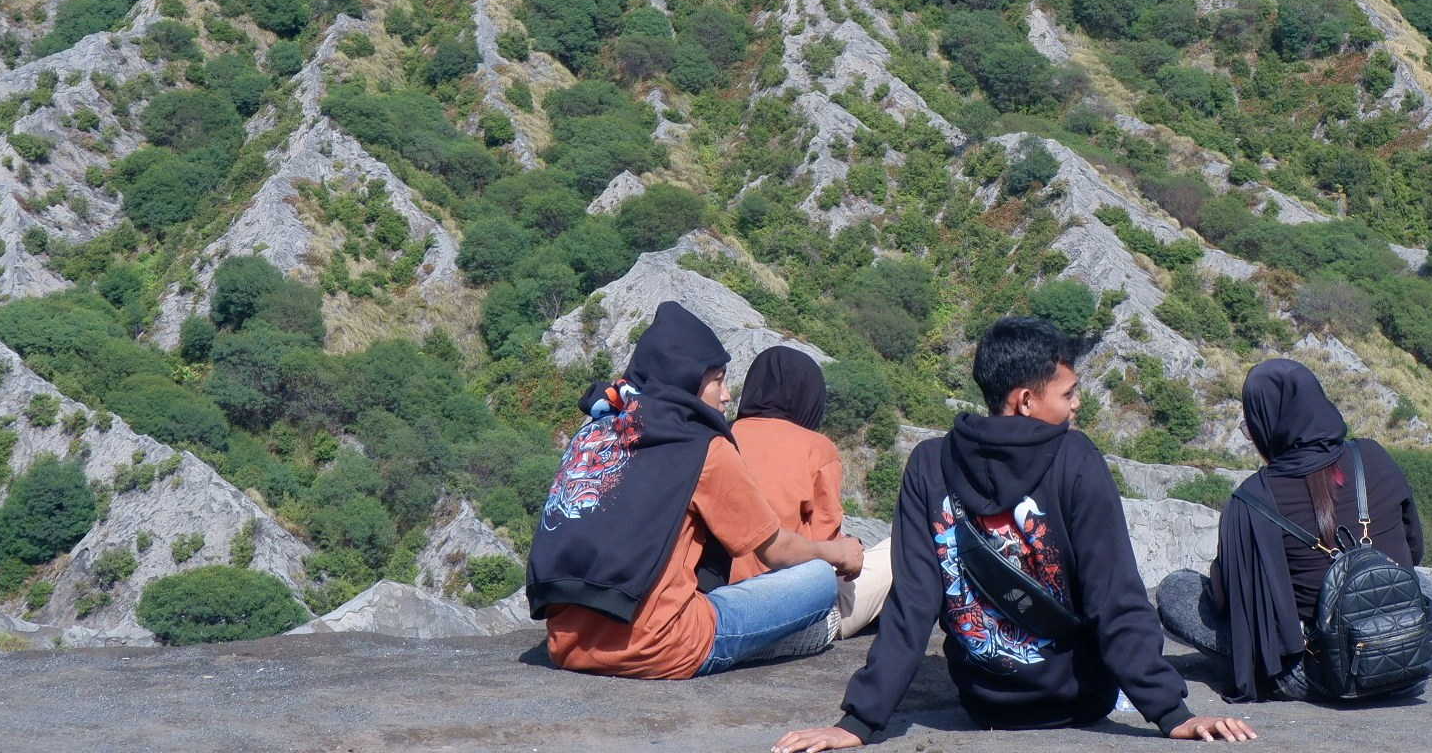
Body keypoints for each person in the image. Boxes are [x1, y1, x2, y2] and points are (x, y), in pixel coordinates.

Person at [774, 317, 1255, 751]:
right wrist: (1172, 714)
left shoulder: (929, 463)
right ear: (1025, 400)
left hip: (982, 704)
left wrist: (860, 722)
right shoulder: (1075, 458)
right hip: (1081, 701)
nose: (1077, 404)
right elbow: (1116, 598)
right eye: (1068, 393)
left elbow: (913, 604)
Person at [531, 302, 865, 680]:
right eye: (719, 380)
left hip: (568, 645)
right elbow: (777, 549)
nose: (726, 396)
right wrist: (838, 554)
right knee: (819, 581)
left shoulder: (596, 430)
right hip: (665, 645)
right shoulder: (702, 446)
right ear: (689, 379)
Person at [1153, 359, 1425, 701]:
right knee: (1424, 585)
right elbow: (1413, 552)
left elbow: (1227, 602)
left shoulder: (1251, 500)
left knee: (1176, 589)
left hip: (1315, 676)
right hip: (1405, 657)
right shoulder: (1373, 455)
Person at [729, 344, 892, 638]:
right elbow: (826, 546)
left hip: (723, 603)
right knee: (900, 548)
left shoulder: (721, 436)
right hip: (792, 608)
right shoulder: (816, 448)